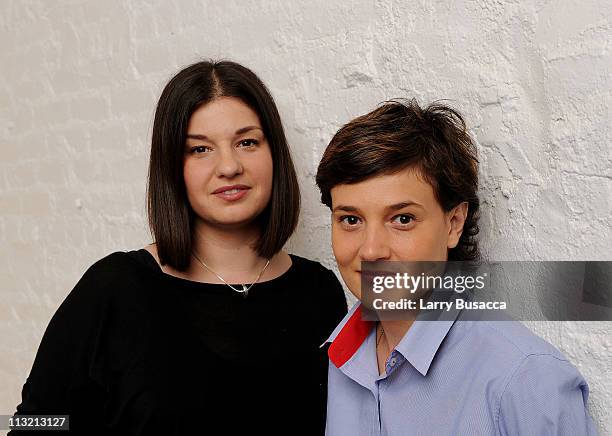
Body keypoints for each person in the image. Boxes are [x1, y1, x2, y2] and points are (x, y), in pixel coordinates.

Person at [11, 60, 347, 435]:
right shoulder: (114, 289)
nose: (229, 166)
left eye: (247, 142)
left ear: (274, 153)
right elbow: (33, 424)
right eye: (200, 149)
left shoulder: (320, 292)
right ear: (173, 167)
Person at [315, 100, 598, 435]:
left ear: (453, 223)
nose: (371, 249)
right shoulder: (340, 357)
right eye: (350, 219)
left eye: (402, 219)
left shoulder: (523, 378)